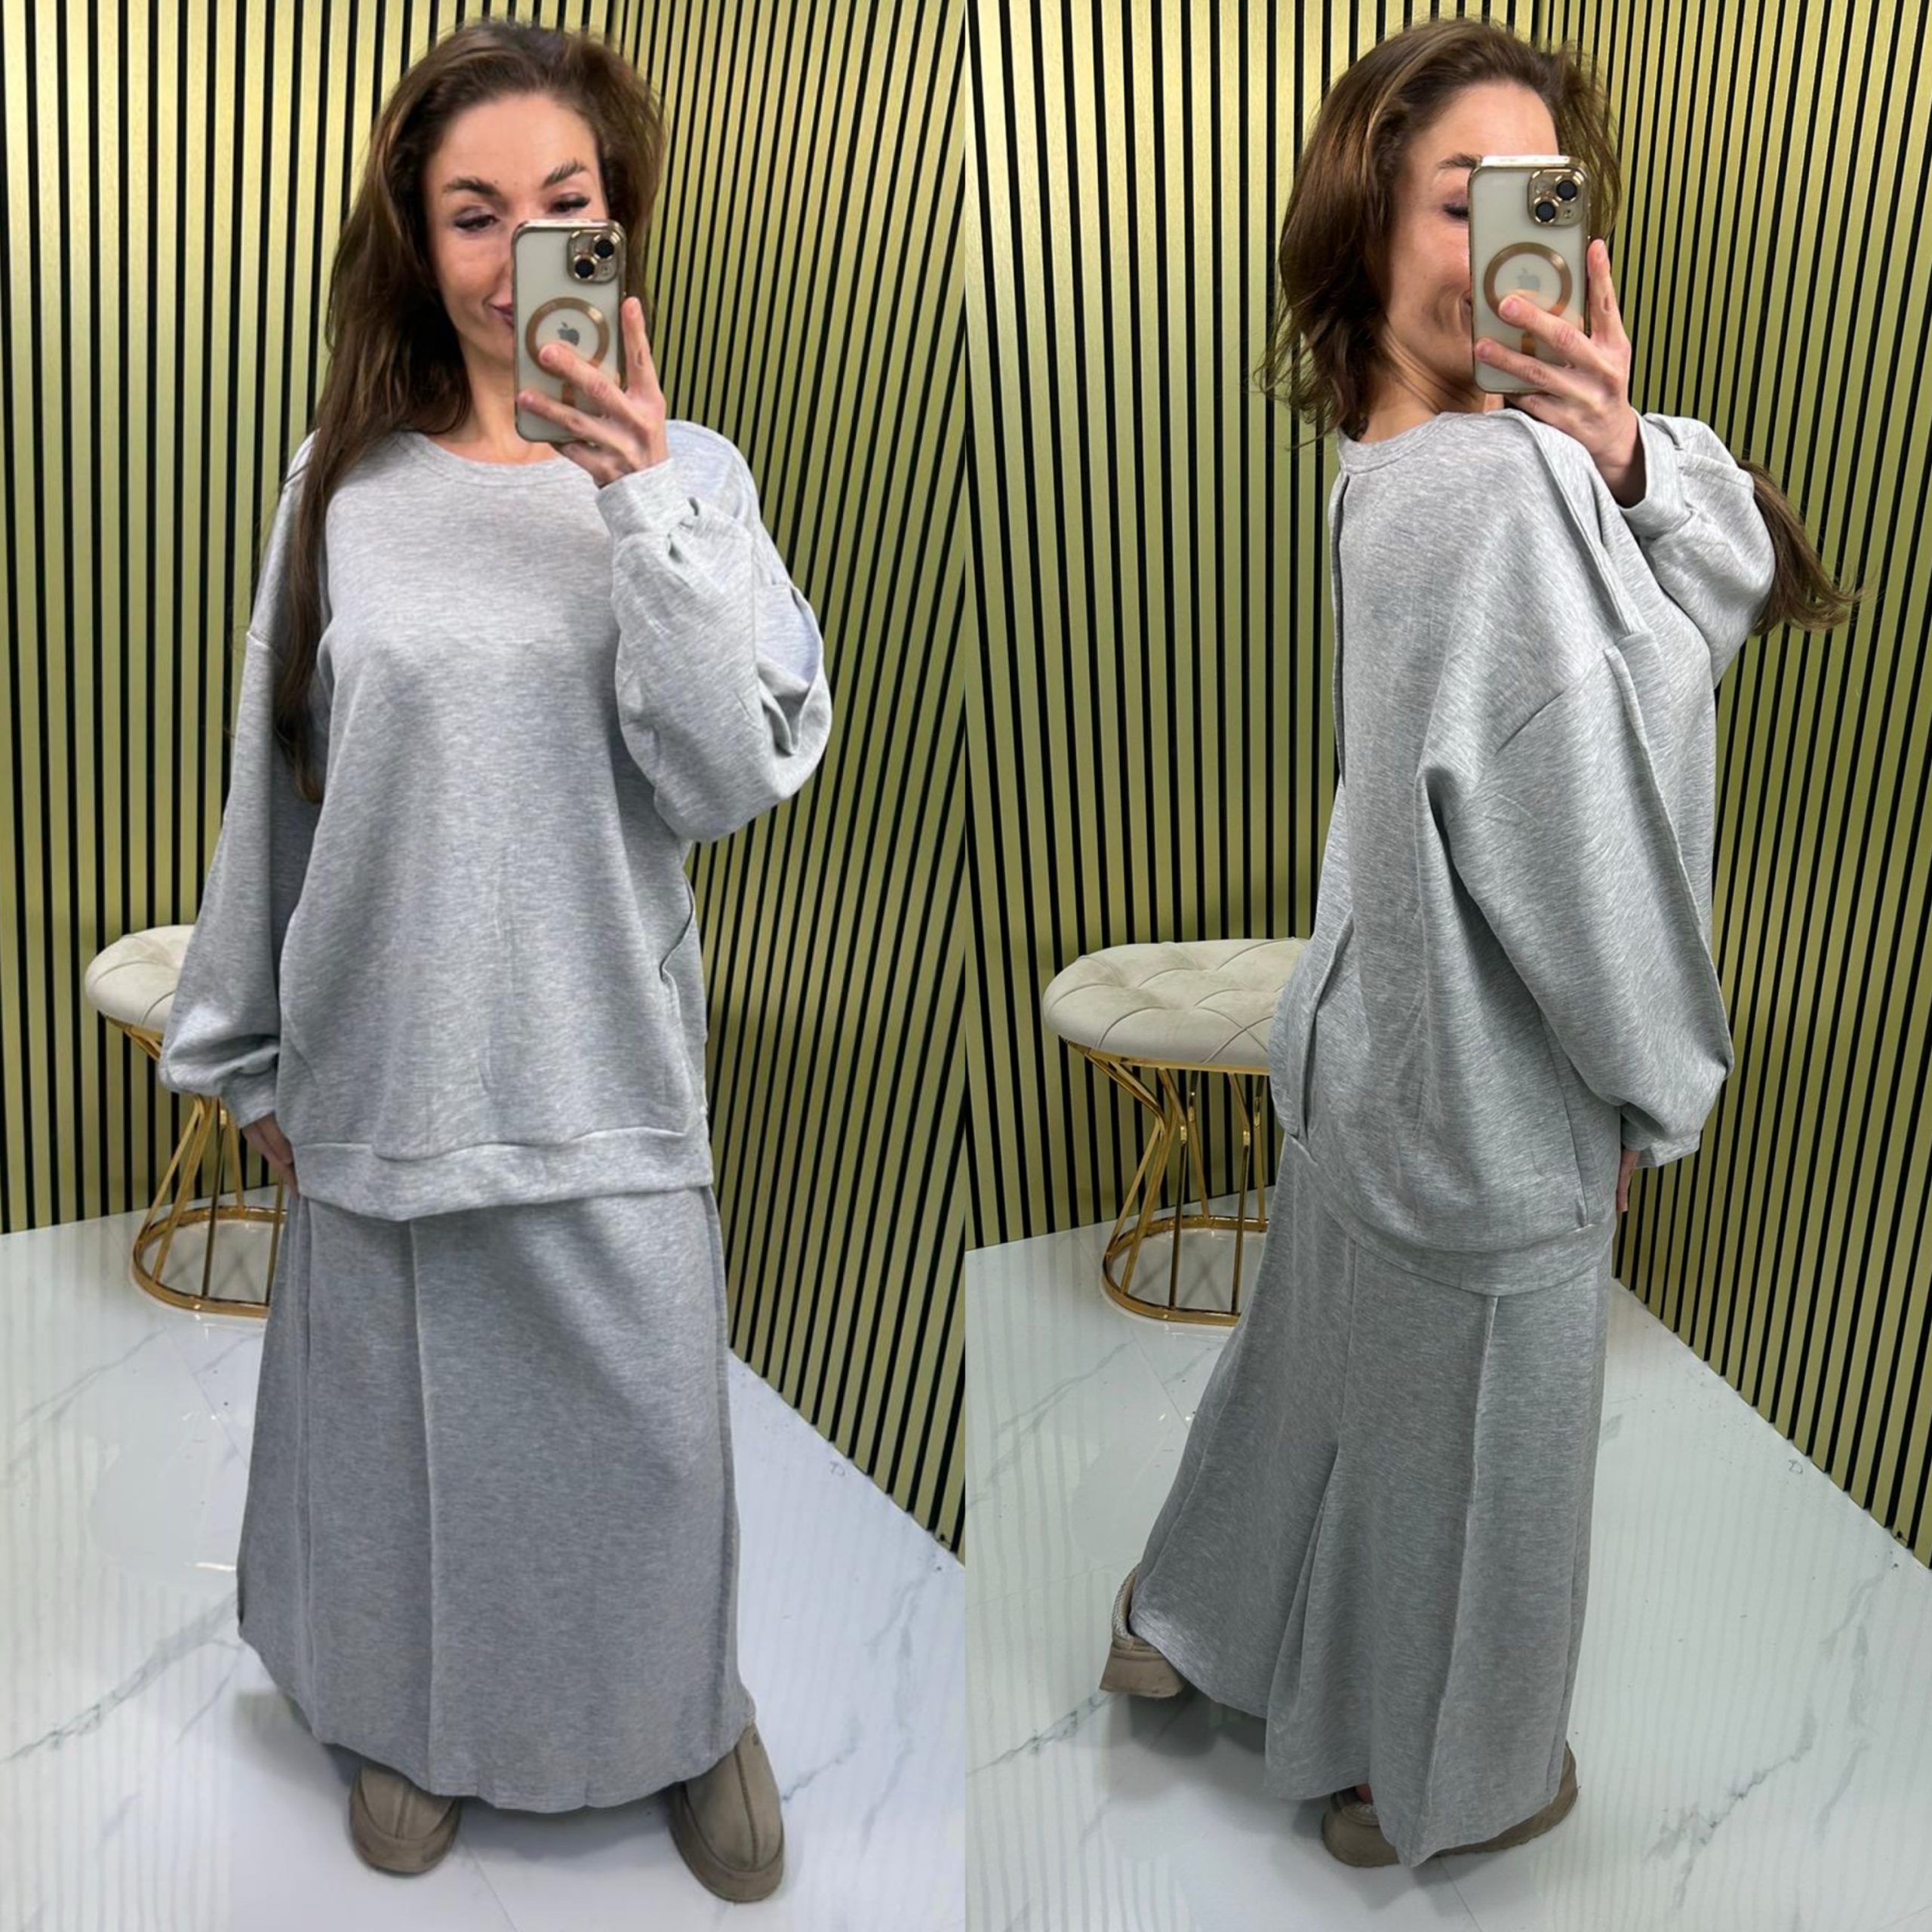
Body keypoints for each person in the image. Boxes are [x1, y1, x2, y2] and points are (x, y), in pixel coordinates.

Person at [1096, 17, 1860, 1872]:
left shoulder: (1402, 455)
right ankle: (1453, 1773)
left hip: (1370, 1033)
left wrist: (1620, 454)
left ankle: (1184, 1619)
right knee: (1486, 1481)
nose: (1508, 236)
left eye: (1538, 197)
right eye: (1460, 198)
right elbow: (1582, 840)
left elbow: (1661, 608)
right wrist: (1653, 1085)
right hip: (1491, 1091)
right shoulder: (1498, 494)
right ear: (1364, 221)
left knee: (1310, 1369)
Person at [156, 20, 832, 1901]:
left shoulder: (700, 479)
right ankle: (410, 1712)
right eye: (474, 212)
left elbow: (725, 776)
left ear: (617, 223)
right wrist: (244, 1046)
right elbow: (277, 782)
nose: (517, 250)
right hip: (386, 1057)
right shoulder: (340, 485)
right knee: (398, 1446)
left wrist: (637, 498)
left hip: (602, 1059)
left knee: (645, 1437)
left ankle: (684, 1712)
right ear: (418, 236)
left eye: (561, 203)